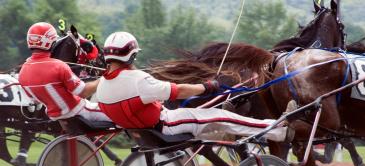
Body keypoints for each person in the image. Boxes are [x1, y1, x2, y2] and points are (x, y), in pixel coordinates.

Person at [96, 32, 296, 142]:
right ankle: (277, 130)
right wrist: (207, 87)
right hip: (165, 126)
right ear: (132, 55)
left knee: (210, 119)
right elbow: (179, 90)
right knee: (222, 116)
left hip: (144, 129)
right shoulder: (138, 80)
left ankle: (232, 135)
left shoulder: (102, 86)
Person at [18, 22, 110, 122]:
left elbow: (34, 99)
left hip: (55, 116)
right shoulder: (59, 66)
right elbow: (83, 92)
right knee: (125, 115)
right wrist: (105, 77)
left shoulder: (22, 72)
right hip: (78, 111)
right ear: (51, 42)